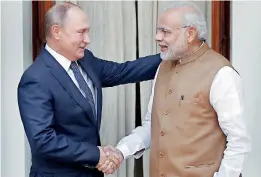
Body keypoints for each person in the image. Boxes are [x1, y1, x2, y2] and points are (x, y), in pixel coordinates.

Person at [100, 1, 252, 177]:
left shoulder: (221, 74)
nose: (157, 37)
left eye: (165, 31)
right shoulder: (162, 67)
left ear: (190, 33)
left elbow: (238, 141)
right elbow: (152, 126)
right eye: (158, 30)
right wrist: (121, 151)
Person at [17, 2, 161, 177]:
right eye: (81, 32)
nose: (87, 39)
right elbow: (43, 141)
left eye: (88, 31)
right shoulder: (36, 79)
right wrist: (96, 154)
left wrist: (170, 56)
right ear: (57, 32)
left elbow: (124, 71)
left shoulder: (86, 60)